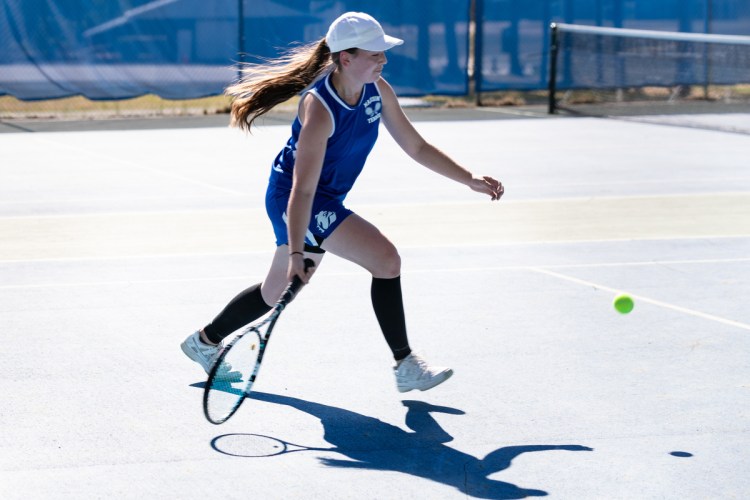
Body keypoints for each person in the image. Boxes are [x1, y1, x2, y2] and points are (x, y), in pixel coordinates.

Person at [181, 12, 503, 393]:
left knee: (273, 293)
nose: (383, 59)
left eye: (384, 52)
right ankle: (405, 364)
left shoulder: (377, 90)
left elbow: (415, 146)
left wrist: (468, 179)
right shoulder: (319, 108)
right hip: (298, 197)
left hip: (322, 197)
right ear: (346, 58)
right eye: (374, 53)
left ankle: (203, 341)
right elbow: (302, 190)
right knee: (386, 259)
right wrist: (299, 250)